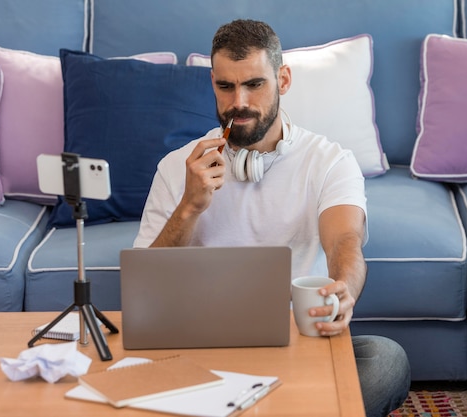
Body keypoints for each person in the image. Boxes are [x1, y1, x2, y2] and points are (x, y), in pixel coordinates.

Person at [134, 19, 410, 416]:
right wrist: (190, 206)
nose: (238, 102)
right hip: (199, 347)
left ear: (283, 80)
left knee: (384, 361)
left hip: (297, 344)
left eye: (255, 84)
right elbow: (146, 290)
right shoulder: (178, 167)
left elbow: (344, 240)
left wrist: (344, 289)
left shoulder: (329, 161)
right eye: (225, 86)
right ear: (212, 82)